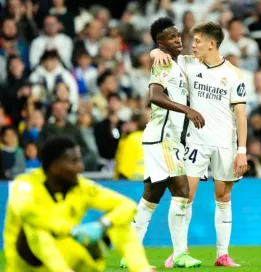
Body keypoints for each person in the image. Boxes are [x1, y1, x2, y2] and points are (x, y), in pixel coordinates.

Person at [152, 21, 248, 267]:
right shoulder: (188, 64)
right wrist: (156, 51)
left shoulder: (234, 74)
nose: (191, 45)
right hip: (196, 142)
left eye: (197, 41)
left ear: (211, 43)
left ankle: (222, 254)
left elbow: (241, 116)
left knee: (223, 196)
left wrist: (242, 151)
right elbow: (158, 55)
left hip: (225, 144)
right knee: (185, 196)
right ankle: (179, 251)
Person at [121, 17, 205, 269]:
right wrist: (186, 109)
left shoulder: (177, 63)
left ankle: (129, 254)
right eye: (171, 37)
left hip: (169, 139)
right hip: (163, 138)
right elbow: (154, 95)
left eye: (178, 35)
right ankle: (180, 253)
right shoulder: (163, 62)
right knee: (182, 192)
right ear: (161, 43)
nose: (178, 39)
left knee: (150, 198)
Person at [3, 135, 155, 272]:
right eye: (74, 161)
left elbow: (126, 205)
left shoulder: (82, 187)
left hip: (67, 254)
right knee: (34, 227)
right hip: (28, 266)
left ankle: (141, 269)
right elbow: (25, 210)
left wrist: (103, 224)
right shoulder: (25, 184)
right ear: (55, 167)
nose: (81, 167)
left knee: (118, 223)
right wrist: (70, 230)